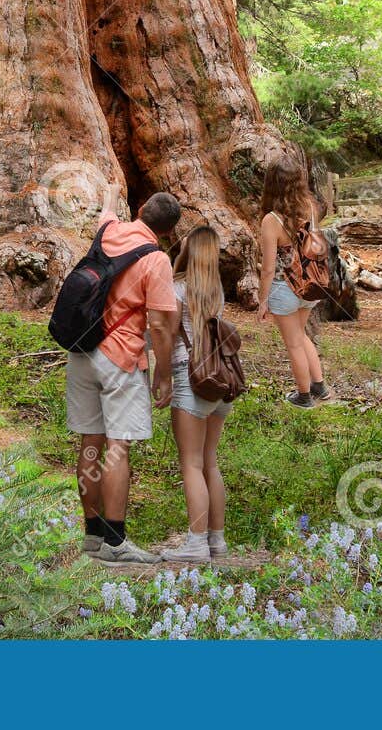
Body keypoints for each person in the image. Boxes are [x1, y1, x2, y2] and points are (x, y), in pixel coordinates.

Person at [69, 192, 181, 564]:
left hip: (82, 351)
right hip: (120, 358)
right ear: (168, 232)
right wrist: (163, 376)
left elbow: (106, 211)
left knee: (90, 442)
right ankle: (116, 542)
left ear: (140, 212)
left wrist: (112, 194)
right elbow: (162, 326)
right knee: (118, 446)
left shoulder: (109, 231)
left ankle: (92, 536)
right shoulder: (156, 259)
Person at [162, 226, 232, 563]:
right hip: (220, 383)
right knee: (209, 461)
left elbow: (168, 333)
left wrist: (160, 377)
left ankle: (195, 543)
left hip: (191, 380)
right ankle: (216, 540)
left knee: (190, 462)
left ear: (189, 249)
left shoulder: (178, 289)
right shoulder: (216, 290)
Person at [256, 154, 332, 408]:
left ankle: (303, 396)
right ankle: (319, 385)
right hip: (310, 284)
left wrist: (262, 300)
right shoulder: (310, 206)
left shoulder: (272, 220)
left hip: (284, 289)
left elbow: (268, 268)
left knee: (293, 343)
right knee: (300, 335)